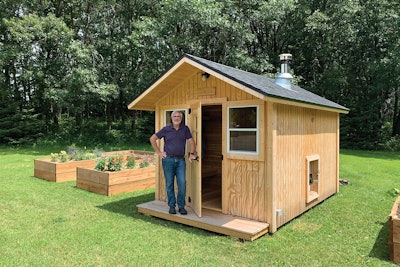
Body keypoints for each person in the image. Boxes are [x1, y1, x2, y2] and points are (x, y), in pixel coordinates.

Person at [150, 110, 197, 215]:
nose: (176, 118)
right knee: (169, 184)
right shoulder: (166, 129)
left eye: (179, 116)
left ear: (181, 118)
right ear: (171, 118)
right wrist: (159, 152)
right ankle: (172, 206)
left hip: (181, 160)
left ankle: (181, 206)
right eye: (175, 116)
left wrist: (192, 153)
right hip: (168, 160)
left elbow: (191, 142)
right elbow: (152, 139)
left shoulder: (185, 129)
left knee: (182, 183)